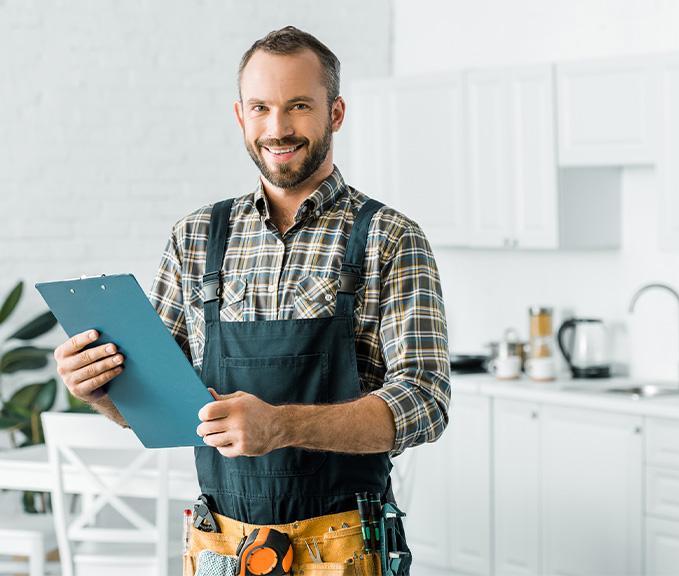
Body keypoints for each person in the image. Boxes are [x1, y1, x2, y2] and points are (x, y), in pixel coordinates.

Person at [53, 25, 450, 575]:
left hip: (345, 549)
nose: (278, 128)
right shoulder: (194, 237)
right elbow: (158, 404)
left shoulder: (389, 237)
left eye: (298, 106)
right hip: (220, 546)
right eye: (260, 107)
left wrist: (283, 425)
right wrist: (98, 387)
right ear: (240, 115)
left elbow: (426, 402)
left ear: (335, 113)